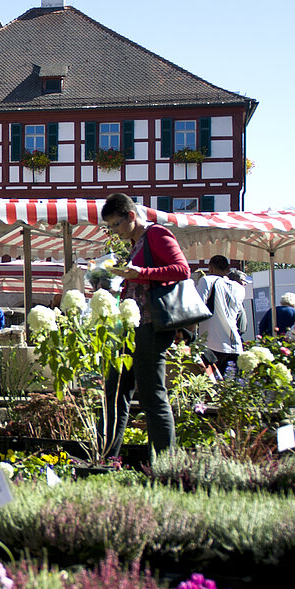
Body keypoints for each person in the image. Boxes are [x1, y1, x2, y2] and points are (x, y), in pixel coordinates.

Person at [99, 192, 191, 459]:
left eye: (116, 224)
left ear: (131, 216)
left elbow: (182, 269)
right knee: (115, 391)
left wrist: (142, 273)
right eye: (110, 227)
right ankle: (106, 458)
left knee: (152, 397)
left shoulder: (157, 234)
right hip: (132, 328)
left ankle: (165, 465)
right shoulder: (136, 242)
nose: (114, 231)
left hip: (152, 326)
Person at [196, 254, 246, 375]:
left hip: (211, 344)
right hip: (235, 345)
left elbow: (197, 307)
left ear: (210, 268)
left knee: (211, 388)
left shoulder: (207, 281)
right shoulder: (239, 288)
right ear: (228, 269)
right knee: (231, 389)